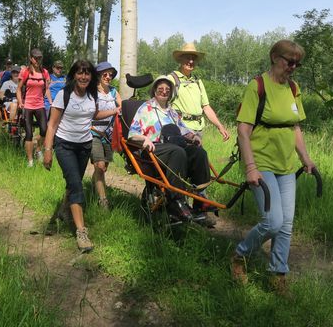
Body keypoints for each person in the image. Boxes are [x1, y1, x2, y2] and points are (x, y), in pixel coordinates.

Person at [230, 40, 317, 295]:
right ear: (274, 57)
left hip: (286, 164)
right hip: (261, 162)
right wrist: (250, 168)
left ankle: (278, 274)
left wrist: (306, 159)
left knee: (287, 224)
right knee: (273, 222)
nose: (293, 67)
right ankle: (239, 256)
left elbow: (295, 127)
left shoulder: (293, 88)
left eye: (297, 63)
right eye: (289, 61)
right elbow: (243, 131)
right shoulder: (257, 86)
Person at [43, 60, 119, 252]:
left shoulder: (92, 95)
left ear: (91, 76)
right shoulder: (64, 95)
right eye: (80, 73)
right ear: (74, 75)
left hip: (84, 146)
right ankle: (81, 232)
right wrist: (48, 150)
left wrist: (115, 111)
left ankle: (63, 212)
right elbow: (52, 125)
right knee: (77, 185)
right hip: (64, 145)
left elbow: (95, 115)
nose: (83, 77)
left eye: (87, 73)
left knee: (72, 182)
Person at [128, 76, 210, 223]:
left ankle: (200, 200)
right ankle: (176, 202)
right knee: (178, 152)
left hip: (173, 146)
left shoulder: (172, 111)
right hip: (153, 148)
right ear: (154, 91)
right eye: (160, 89)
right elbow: (132, 135)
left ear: (171, 92)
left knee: (199, 153)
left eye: (167, 89)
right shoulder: (145, 108)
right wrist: (144, 139)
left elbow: (183, 130)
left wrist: (193, 136)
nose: (164, 92)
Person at [168, 42, 230, 141]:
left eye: (194, 59)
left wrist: (220, 126)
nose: (191, 61)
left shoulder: (197, 82)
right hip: (181, 129)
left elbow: (206, 107)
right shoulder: (171, 79)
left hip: (199, 129)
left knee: (198, 156)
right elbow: (162, 106)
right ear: (180, 59)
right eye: (188, 58)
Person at [90, 61, 122, 210]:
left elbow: (122, 107)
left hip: (110, 135)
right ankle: (103, 202)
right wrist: (114, 111)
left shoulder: (114, 92)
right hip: (94, 133)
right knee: (100, 166)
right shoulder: (92, 93)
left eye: (111, 74)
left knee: (103, 168)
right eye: (105, 74)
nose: (108, 77)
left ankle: (92, 188)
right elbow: (94, 114)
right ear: (98, 75)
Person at [17, 49, 52, 167]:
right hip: (27, 105)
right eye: (35, 58)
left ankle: (38, 150)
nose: (37, 60)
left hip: (40, 105)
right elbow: (18, 89)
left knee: (44, 130)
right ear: (31, 58)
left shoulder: (44, 72)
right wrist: (20, 102)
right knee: (28, 133)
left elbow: (46, 89)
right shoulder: (25, 72)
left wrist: (51, 102)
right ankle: (30, 161)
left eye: (39, 58)